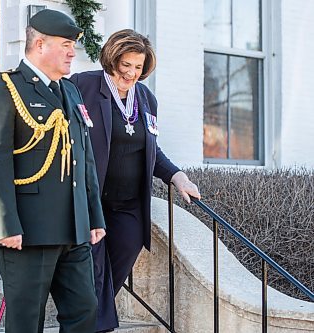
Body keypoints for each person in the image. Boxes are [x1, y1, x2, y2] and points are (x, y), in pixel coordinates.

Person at [0, 9, 106, 333]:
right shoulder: (3, 88)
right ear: (40, 44)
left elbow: (84, 159)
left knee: (84, 310)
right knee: (26, 322)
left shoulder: (70, 91)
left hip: (73, 228)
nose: (73, 52)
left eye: (74, 45)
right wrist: (5, 224)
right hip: (27, 231)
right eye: (65, 44)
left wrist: (94, 216)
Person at [70, 29, 201, 332]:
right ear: (112, 59)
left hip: (128, 203)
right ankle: (95, 325)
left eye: (138, 67)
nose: (131, 73)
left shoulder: (146, 99)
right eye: (125, 64)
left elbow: (152, 150)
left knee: (127, 249)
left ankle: (86, 317)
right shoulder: (83, 86)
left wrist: (177, 177)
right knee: (96, 269)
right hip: (94, 201)